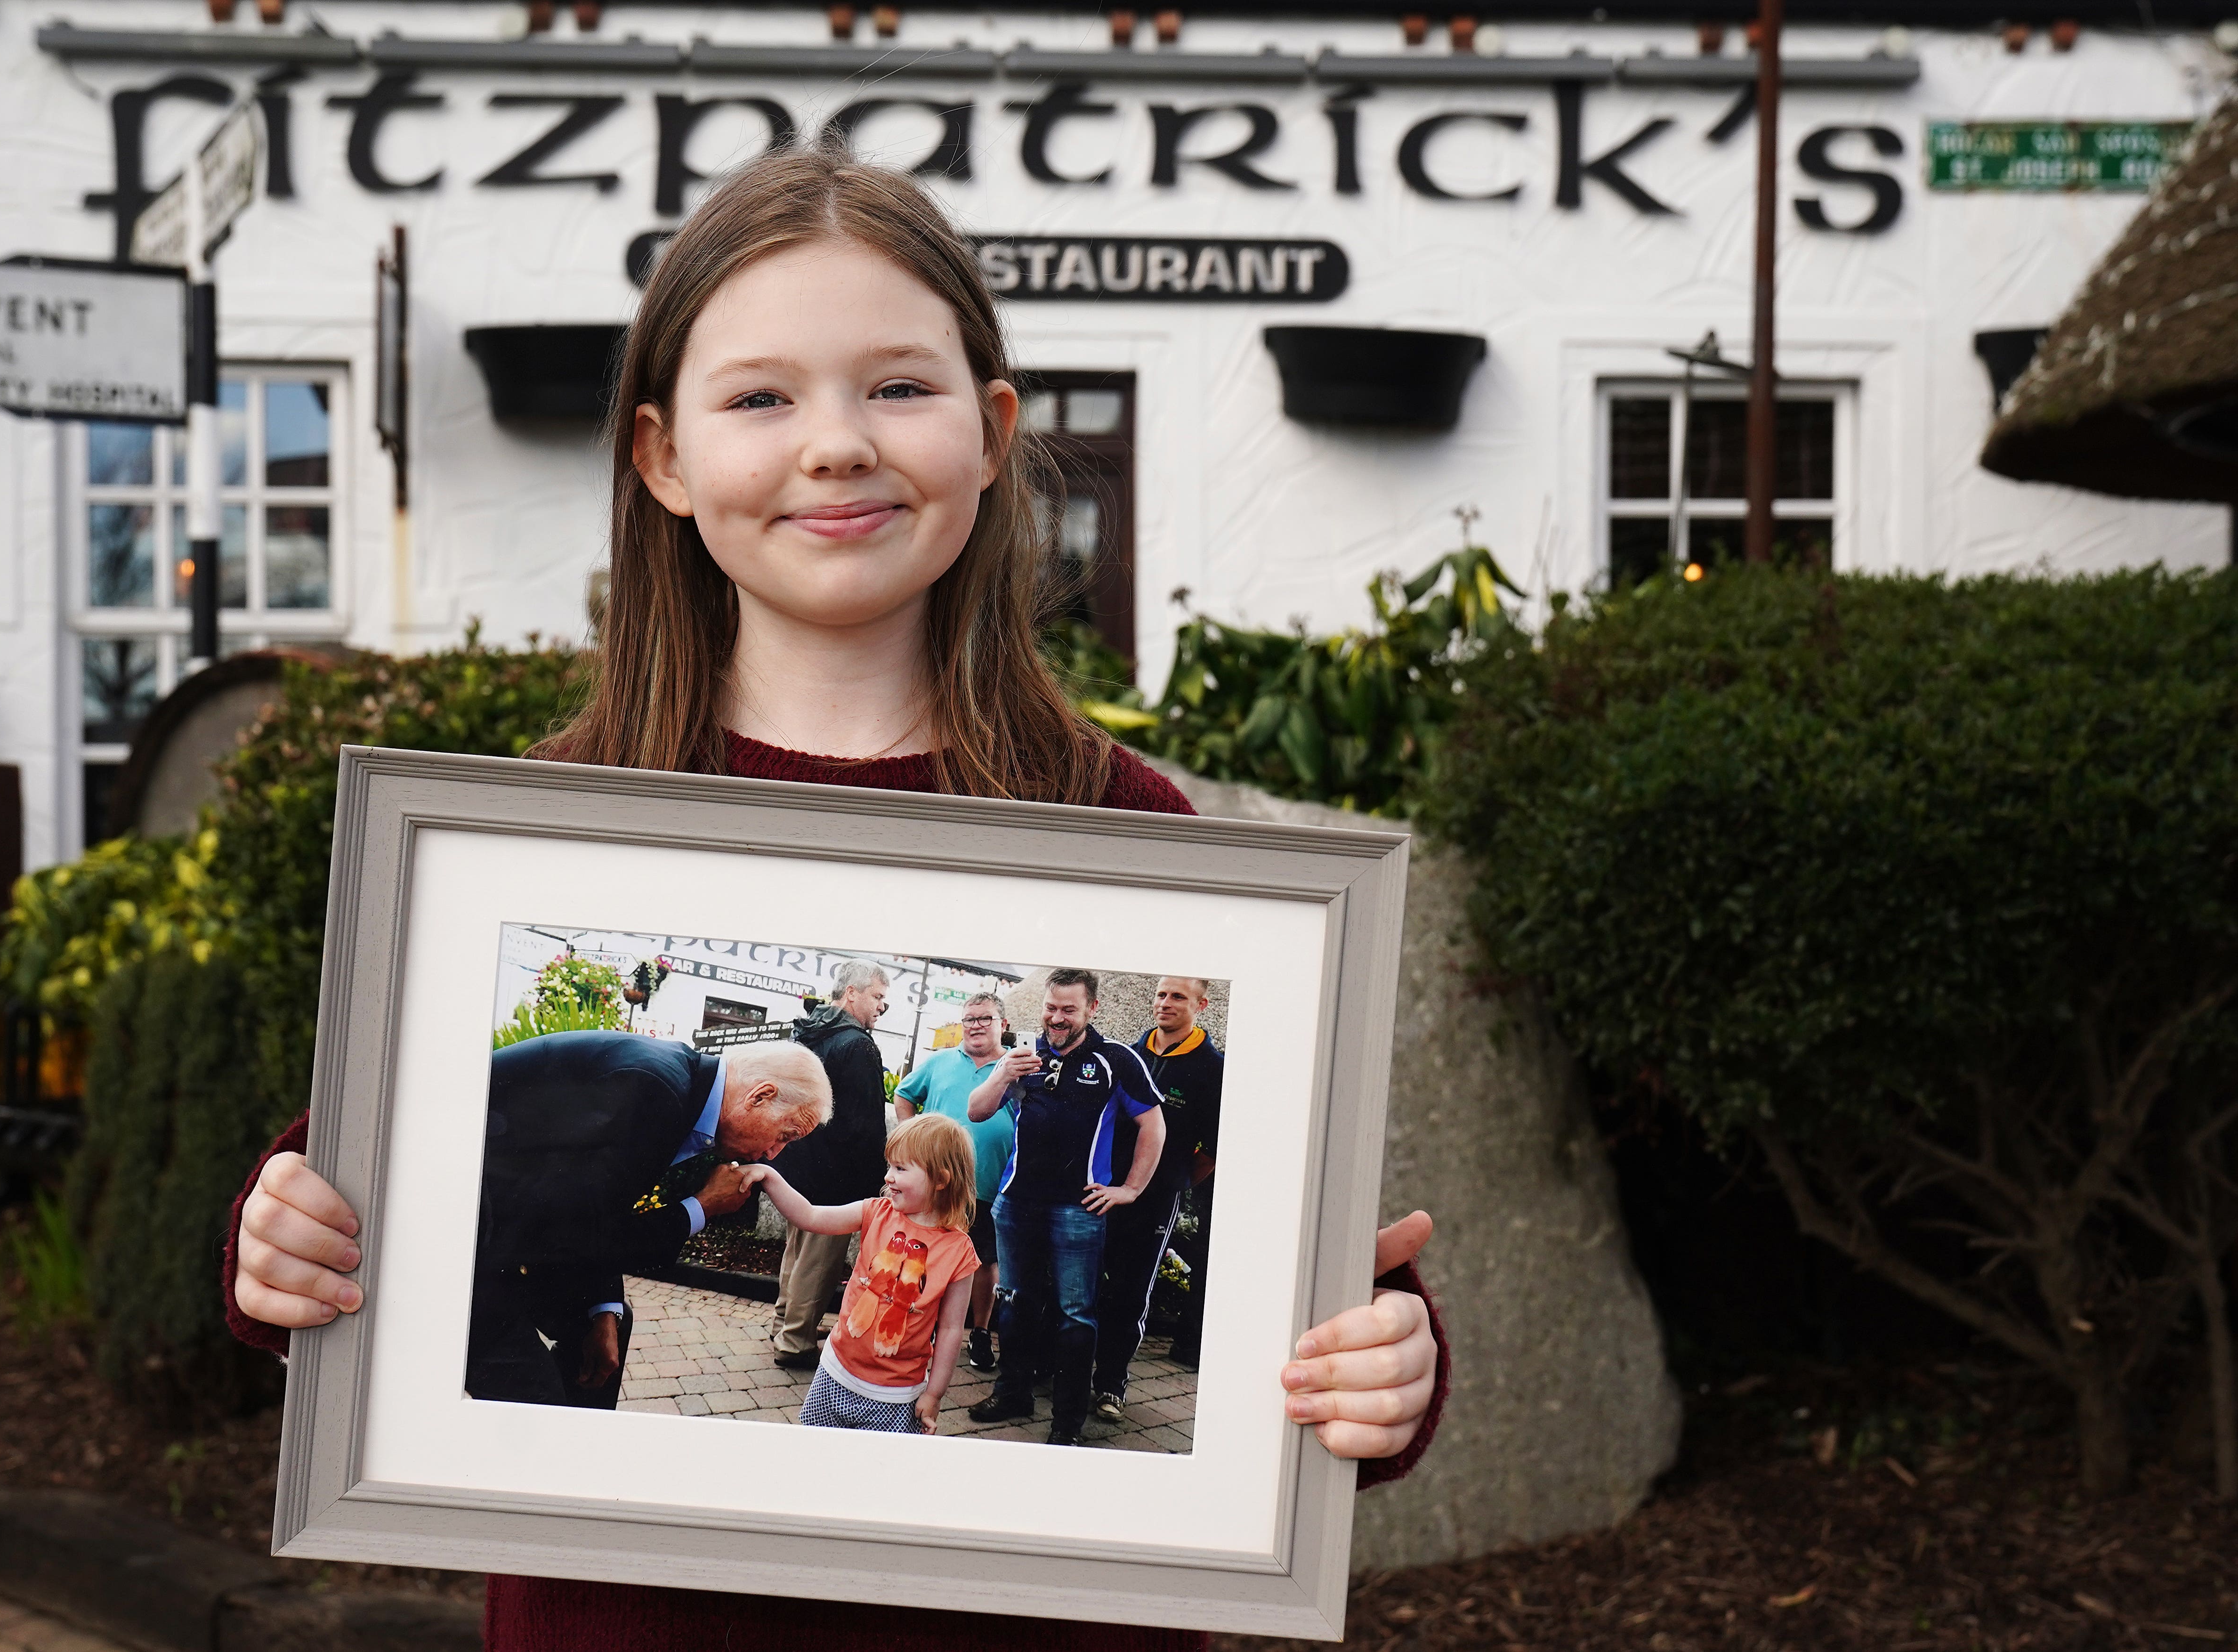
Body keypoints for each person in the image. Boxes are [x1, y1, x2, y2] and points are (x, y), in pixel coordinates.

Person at [225, 139, 1446, 1652]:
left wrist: (1377, 1367)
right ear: (663, 457)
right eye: (760, 396)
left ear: (992, 431)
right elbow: (375, 1176)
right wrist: (283, 1240)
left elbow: (1300, 1275)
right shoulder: (529, 821)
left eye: (897, 386)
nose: (836, 443)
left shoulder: (1132, 826)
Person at [466, 1031, 833, 1408]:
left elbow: (593, 1207)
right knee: (534, 1400)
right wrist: (703, 1207)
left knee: (608, 1324)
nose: (774, 1153)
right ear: (761, 1096)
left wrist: (603, 1310)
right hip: (463, 1236)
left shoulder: (680, 1084)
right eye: (784, 1135)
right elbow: (572, 1230)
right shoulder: (655, 1089)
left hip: (508, 1224)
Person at [961, 968, 1163, 1445]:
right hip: (1016, 1203)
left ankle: (1067, 1422)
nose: (1056, 1017)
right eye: (1051, 1007)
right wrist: (1005, 1074)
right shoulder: (1025, 1055)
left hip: (1079, 1210)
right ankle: (1013, 1392)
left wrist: (1130, 1189)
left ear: (1092, 1010)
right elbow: (976, 1110)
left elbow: (1154, 1127)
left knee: (1077, 1315)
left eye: (1068, 1010)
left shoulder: (1115, 1059)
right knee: (1012, 1302)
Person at [751, 1112, 981, 1434]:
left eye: (901, 1169)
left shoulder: (959, 1252)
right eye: (890, 1166)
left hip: (897, 1397)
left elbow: (952, 1330)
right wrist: (769, 1177)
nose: (889, 1177)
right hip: (834, 1374)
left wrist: (934, 1394)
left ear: (941, 1180)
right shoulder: (877, 1212)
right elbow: (810, 1215)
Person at [1091, 976, 1224, 1416]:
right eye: (1161, 994)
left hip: (1155, 1199)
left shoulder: (1213, 1068)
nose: (1165, 1003)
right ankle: (1064, 1365)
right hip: (1104, 1188)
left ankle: (1111, 1382)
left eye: (1178, 997)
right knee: (1085, 1278)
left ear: (1201, 1005)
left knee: (1132, 1288)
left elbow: (1212, 1146)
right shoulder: (1129, 1053)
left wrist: (1177, 1182)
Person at [766, 959, 892, 1369]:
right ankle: (796, 1343)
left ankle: (784, 1322)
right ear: (852, 993)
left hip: (800, 1163)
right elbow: (866, 1123)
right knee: (819, 1259)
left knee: (798, 1249)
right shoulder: (858, 1044)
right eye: (877, 997)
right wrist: (877, 1177)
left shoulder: (809, 1031)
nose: (881, 1007)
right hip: (837, 1173)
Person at [892, 990, 1014, 1369]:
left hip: (991, 1184)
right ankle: (919, 1329)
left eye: (985, 1019)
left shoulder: (1016, 1068)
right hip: (939, 1186)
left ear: (1003, 1025)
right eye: (970, 1019)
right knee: (926, 1254)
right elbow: (903, 1095)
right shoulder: (941, 1061)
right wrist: (913, 1142)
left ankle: (978, 1332)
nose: (976, 1026)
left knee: (984, 1261)